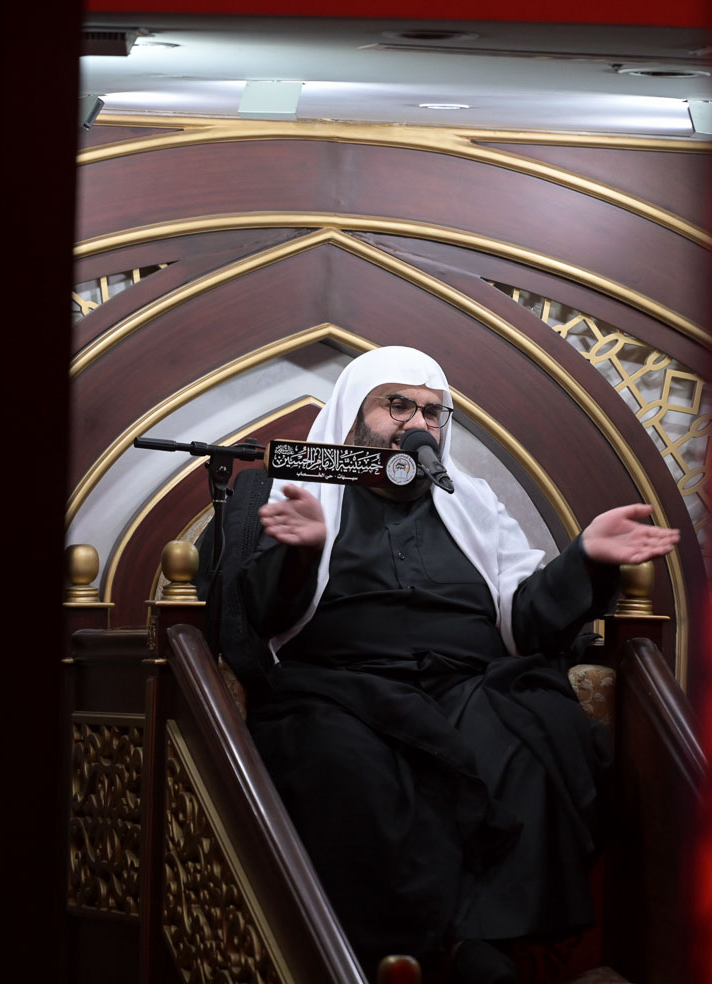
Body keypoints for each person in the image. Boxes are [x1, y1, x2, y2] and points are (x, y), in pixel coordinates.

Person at [238, 346, 680, 982]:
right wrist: (301, 553)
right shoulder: (305, 493)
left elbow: (523, 620)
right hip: (342, 690)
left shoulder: (470, 499)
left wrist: (584, 558)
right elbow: (263, 618)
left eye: (432, 412)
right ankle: (406, 954)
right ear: (353, 415)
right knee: (341, 762)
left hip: (465, 684)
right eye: (397, 405)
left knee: (537, 732)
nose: (418, 423)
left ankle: (484, 940)